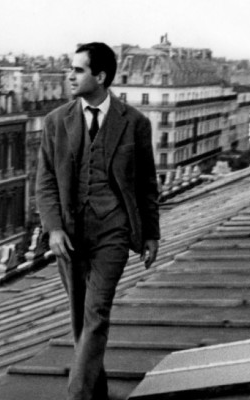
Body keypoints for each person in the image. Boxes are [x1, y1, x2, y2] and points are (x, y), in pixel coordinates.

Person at [36, 42, 160, 400]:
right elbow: (45, 181)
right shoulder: (55, 122)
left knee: (97, 312)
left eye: (78, 70)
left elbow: (146, 184)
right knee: (80, 319)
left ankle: (77, 396)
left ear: (101, 76)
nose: (69, 76)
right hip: (70, 235)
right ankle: (96, 393)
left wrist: (151, 234)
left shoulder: (135, 123)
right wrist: (53, 228)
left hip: (113, 232)